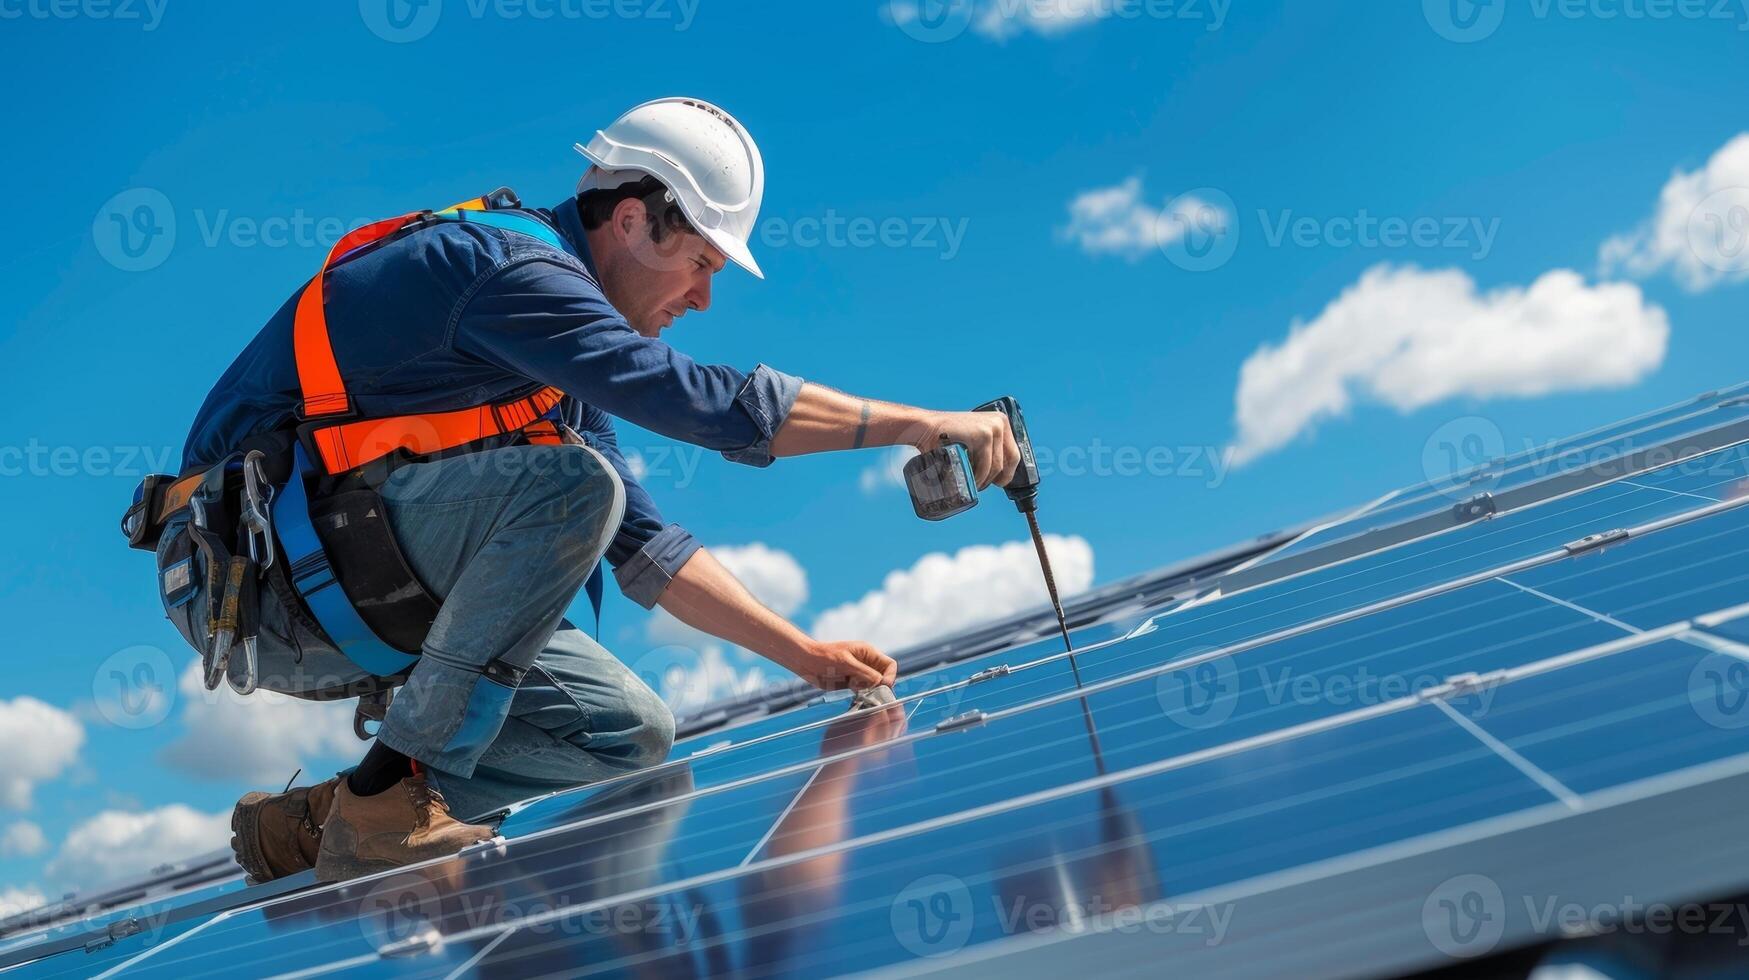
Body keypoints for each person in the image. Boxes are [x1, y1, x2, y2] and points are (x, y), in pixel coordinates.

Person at [169, 97, 1022, 884]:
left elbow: (647, 548)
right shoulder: (502, 270)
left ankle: (329, 820)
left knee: (632, 734)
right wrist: (921, 424)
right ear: (631, 222)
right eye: (698, 262)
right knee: (571, 486)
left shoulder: (553, 377)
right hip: (252, 578)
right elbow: (707, 406)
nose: (702, 296)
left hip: (345, 566)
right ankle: (392, 800)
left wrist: (805, 657)